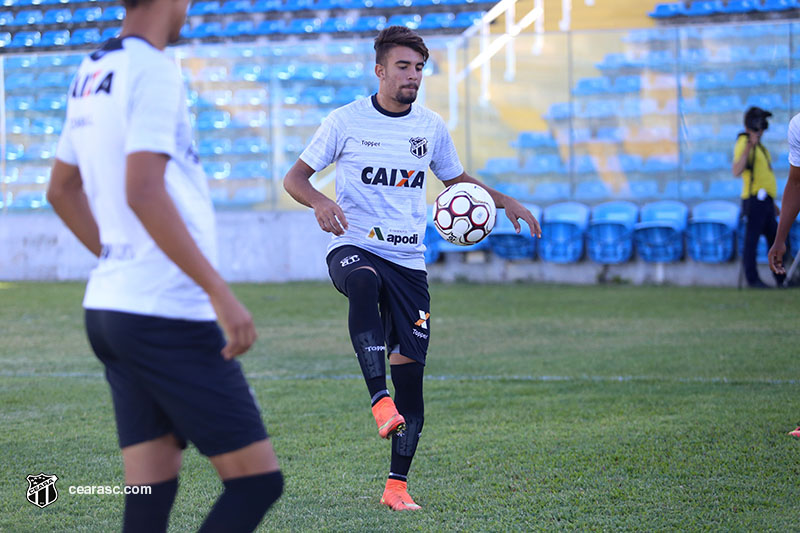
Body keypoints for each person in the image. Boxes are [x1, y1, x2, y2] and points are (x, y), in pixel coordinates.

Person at [45, 0, 282, 530]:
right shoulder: (151, 68)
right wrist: (219, 291)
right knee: (256, 482)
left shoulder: (92, 69)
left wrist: (117, 258)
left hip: (111, 308)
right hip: (164, 314)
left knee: (149, 492)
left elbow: (60, 190)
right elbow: (143, 190)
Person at [283, 25, 541, 511]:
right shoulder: (345, 121)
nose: (413, 76)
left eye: (419, 68)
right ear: (379, 70)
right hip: (355, 245)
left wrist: (504, 201)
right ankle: (378, 400)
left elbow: (456, 180)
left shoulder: (430, 126)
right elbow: (295, 177)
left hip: (408, 264)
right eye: (403, 66)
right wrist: (319, 201)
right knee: (363, 281)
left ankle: (396, 487)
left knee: (412, 383)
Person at [733, 106, 786, 288]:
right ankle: (752, 279)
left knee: (776, 240)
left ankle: (781, 278)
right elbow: (737, 170)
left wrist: (772, 202)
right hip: (754, 200)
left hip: (766, 202)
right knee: (752, 241)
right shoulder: (744, 142)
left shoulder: (761, 148)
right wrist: (749, 145)